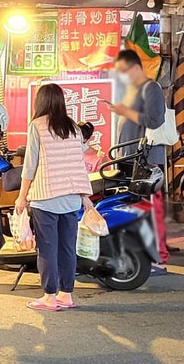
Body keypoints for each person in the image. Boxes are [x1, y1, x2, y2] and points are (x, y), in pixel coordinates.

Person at [15, 83, 94, 311]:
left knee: (47, 249)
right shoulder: (73, 128)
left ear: (41, 102)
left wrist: (22, 197)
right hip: (70, 198)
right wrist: (83, 195)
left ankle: (50, 296)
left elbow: (30, 166)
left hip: (46, 197)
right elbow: (76, 164)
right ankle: (66, 294)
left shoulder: (37, 126)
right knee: (68, 248)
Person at [106, 49, 170, 274]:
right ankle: (142, 254)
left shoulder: (151, 88)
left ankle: (157, 258)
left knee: (150, 208)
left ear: (135, 68)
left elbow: (154, 121)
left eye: (123, 71)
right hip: (129, 158)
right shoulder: (132, 90)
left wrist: (125, 111)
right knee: (134, 208)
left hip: (146, 160)